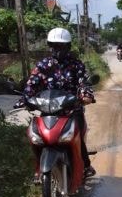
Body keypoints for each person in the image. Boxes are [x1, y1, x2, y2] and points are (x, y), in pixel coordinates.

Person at [20, 28, 95, 178]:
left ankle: (85, 165)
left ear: (68, 47)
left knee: (77, 135)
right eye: (54, 46)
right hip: (48, 109)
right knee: (36, 137)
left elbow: (83, 83)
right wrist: (26, 98)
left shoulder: (76, 65)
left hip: (72, 109)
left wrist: (85, 95)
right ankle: (38, 167)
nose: (57, 50)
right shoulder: (43, 65)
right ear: (50, 46)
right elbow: (32, 83)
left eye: (61, 46)